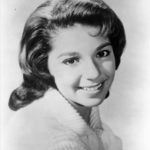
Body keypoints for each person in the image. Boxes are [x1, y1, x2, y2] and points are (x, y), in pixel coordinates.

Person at [5, 0, 126, 149]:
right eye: (72, 60)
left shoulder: (105, 134)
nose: (94, 73)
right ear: (43, 65)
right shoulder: (37, 136)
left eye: (102, 53)